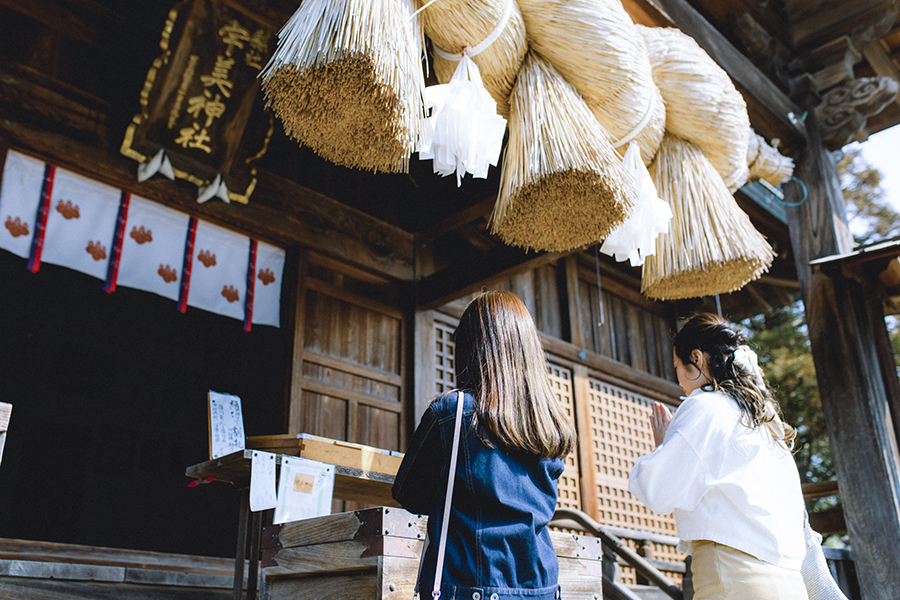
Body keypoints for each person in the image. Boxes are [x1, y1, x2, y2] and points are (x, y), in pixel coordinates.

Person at [392, 290, 576, 600]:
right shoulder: (551, 424)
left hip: (470, 586)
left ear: (470, 349)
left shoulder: (453, 412)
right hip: (542, 587)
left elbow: (410, 494)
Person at [628, 313, 808, 600]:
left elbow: (657, 490)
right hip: (788, 580)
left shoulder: (706, 407)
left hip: (736, 575)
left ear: (696, 358)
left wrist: (663, 447)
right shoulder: (763, 419)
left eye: (677, 365)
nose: (678, 379)